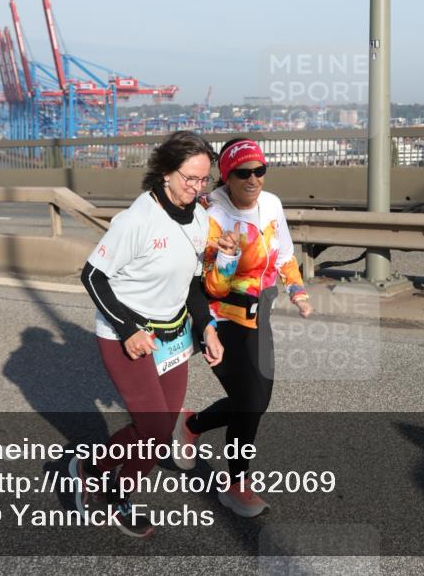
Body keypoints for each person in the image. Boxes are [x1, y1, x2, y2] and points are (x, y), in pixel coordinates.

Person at [70, 130, 223, 538]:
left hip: (172, 335)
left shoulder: (200, 218)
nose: (196, 188)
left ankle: (115, 488)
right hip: (126, 332)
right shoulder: (137, 219)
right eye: (189, 178)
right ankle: (92, 469)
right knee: (153, 427)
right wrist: (127, 328)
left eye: (203, 179)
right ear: (166, 172)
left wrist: (206, 326)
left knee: (159, 433)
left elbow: (192, 285)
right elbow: (93, 276)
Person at [171, 138, 312, 517]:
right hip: (221, 318)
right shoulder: (211, 213)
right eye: (243, 173)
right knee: (249, 404)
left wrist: (297, 292)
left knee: (256, 403)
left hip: (259, 313)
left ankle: (192, 424)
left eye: (259, 171)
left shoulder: (272, 205)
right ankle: (235, 485)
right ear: (226, 177)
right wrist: (229, 254)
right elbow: (213, 286)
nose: (253, 180)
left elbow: (284, 255)